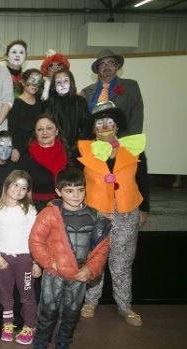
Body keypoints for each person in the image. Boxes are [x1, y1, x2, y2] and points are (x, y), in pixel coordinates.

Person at [28, 167, 111, 349]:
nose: (75, 195)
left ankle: (62, 346)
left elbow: (101, 248)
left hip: (79, 276)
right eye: (69, 190)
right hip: (54, 274)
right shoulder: (49, 214)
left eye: (80, 190)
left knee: (72, 313)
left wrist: (91, 269)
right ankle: (40, 346)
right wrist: (49, 263)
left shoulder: (94, 216)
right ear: (58, 192)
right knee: (48, 311)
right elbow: (35, 240)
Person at [77, 101, 148, 326]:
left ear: (117, 126)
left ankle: (124, 305)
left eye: (110, 121)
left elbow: (143, 179)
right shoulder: (85, 151)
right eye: (100, 122)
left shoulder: (133, 149)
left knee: (122, 261)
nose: (105, 125)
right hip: (96, 213)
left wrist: (144, 209)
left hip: (127, 211)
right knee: (95, 259)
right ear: (94, 128)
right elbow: (78, 183)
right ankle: (90, 301)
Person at [0, 170, 39, 345]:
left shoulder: (30, 210)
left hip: (25, 259)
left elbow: (36, 237)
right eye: (16, 184)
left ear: (27, 192)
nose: (18, 189)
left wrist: (37, 262)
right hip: (4, 259)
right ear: (7, 185)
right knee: (5, 294)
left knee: (26, 295)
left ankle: (30, 325)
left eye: (23, 187)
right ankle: (7, 324)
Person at [81, 49, 144, 135]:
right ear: (98, 69)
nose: (106, 67)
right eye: (102, 64)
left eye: (111, 63)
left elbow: (136, 119)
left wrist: (130, 144)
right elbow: (84, 123)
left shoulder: (131, 86)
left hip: (123, 143)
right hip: (96, 145)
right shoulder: (86, 92)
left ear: (117, 66)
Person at [21, 113, 68, 211]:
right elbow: (24, 188)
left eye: (49, 128)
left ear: (57, 131)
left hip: (66, 204)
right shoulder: (27, 155)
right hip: (36, 207)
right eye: (40, 129)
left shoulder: (68, 153)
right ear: (35, 133)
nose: (44, 132)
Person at [43, 69, 89, 162]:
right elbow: (45, 129)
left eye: (65, 81)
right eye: (58, 82)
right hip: (54, 150)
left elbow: (86, 127)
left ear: (71, 82)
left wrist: (77, 146)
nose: (62, 84)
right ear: (54, 85)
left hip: (77, 150)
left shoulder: (80, 102)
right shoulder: (48, 104)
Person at [8, 68, 44, 163]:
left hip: (37, 149)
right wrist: (14, 148)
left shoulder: (41, 103)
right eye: (32, 80)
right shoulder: (16, 103)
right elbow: (11, 128)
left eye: (38, 82)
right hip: (20, 150)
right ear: (23, 82)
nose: (35, 85)